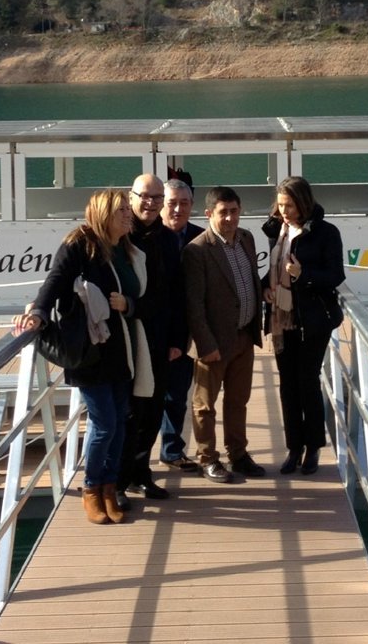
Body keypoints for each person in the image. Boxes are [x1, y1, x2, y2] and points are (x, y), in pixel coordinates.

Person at [12, 189, 146, 524]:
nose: (129, 216)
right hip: (89, 351)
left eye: (128, 211)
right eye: (122, 211)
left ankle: (109, 488)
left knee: (119, 422)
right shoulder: (80, 243)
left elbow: (139, 293)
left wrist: (126, 303)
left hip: (119, 349)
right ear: (104, 213)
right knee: (104, 425)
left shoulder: (123, 248)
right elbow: (55, 281)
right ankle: (91, 488)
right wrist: (39, 312)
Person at [261, 176, 346, 475]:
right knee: (287, 385)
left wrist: (302, 273)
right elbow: (271, 272)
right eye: (280, 204)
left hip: (312, 321)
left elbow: (335, 275)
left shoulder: (325, 233)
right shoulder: (278, 230)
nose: (283, 211)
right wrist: (265, 290)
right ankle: (293, 448)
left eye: (289, 205)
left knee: (307, 382)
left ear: (303, 203)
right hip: (281, 319)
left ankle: (313, 448)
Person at [182, 185, 266, 483]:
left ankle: (238, 455)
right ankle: (207, 458)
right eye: (222, 213)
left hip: (243, 336)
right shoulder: (197, 250)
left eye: (234, 211)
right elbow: (193, 304)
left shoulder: (246, 239)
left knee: (238, 401)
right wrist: (206, 344)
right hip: (214, 343)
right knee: (205, 405)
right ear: (208, 214)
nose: (229, 218)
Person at [116, 174, 171, 505]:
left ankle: (141, 474)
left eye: (157, 197)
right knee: (128, 413)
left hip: (159, 339)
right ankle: (119, 482)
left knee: (152, 412)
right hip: (126, 338)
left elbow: (175, 292)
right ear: (131, 196)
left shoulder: (166, 239)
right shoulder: (118, 237)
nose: (150, 203)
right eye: (144, 196)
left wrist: (179, 339)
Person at [157, 177, 203, 472]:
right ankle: (134, 464)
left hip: (186, 334)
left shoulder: (201, 239)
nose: (177, 209)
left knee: (177, 395)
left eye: (183, 203)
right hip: (150, 333)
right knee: (145, 400)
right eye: (171, 203)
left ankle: (172, 452)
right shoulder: (144, 237)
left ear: (192, 206)